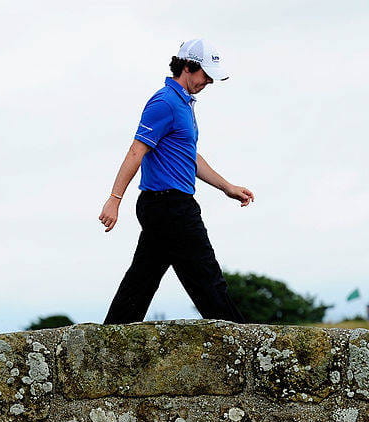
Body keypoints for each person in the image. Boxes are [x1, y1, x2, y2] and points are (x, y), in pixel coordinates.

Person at [99, 38, 254, 324]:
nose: (208, 82)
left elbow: (190, 156)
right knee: (207, 279)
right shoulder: (165, 102)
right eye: (205, 75)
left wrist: (227, 187)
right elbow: (136, 151)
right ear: (187, 67)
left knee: (142, 280)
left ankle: (109, 340)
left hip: (166, 205)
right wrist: (114, 198)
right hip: (170, 205)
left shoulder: (184, 104)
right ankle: (241, 344)